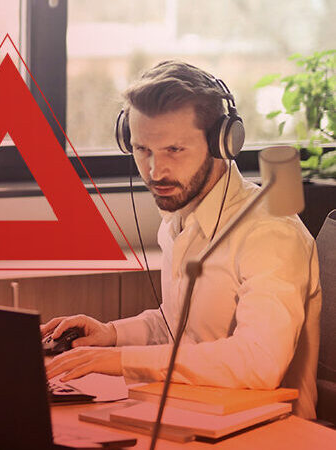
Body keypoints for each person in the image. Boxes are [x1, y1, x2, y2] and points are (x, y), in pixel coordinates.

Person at [44, 60, 322, 419]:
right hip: (193, 414)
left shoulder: (270, 232)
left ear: (223, 143)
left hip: (268, 432)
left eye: (174, 150)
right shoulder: (179, 218)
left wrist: (121, 360)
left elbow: (259, 363)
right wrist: (111, 335)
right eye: (142, 150)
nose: (155, 171)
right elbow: (179, 329)